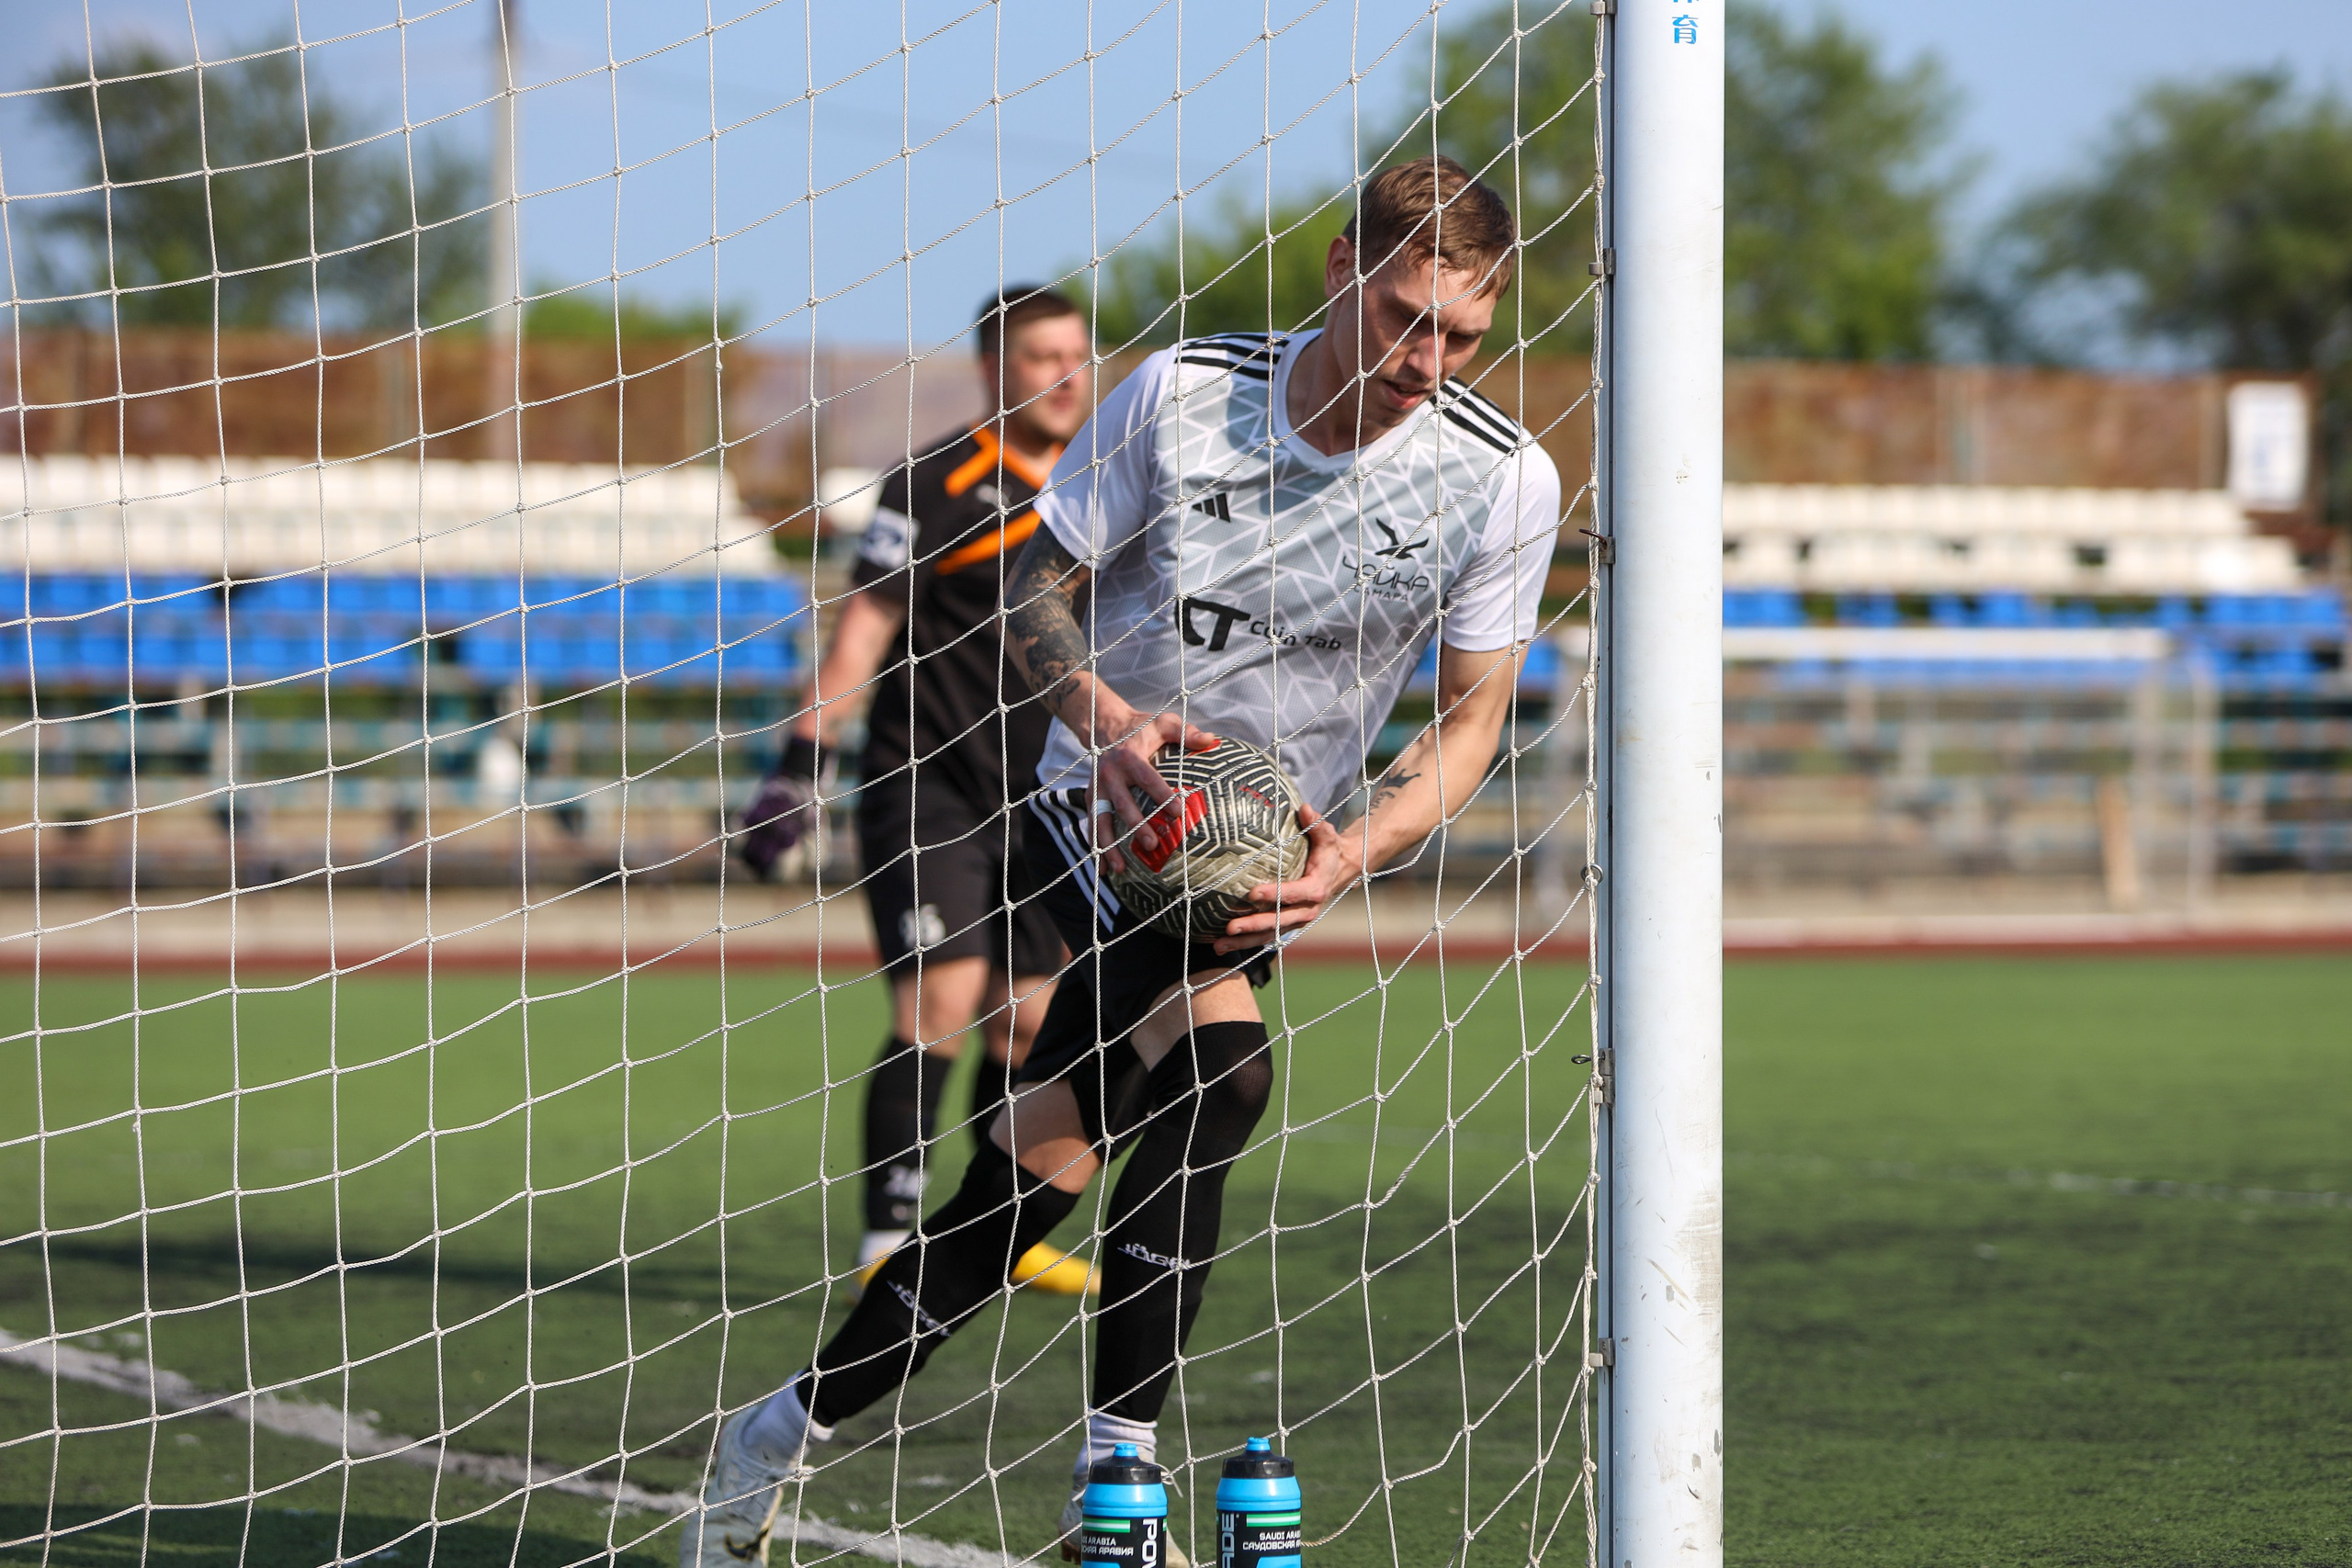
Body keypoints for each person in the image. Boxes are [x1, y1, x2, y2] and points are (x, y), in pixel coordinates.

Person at [686, 156, 1560, 1568]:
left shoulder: (1501, 477)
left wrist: (1356, 852)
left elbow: (1465, 726)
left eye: (1462, 334)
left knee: (1031, 1182)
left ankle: (784, 1425)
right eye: (1406, 316)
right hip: (1085, 814)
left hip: (1252, 858)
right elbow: (1038, 586)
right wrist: (1104, 725)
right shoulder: (1181, 393)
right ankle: (1119, 1487)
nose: (1427, 359)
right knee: (1224, 1076)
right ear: (1343, 268)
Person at [736, 285, 1099, 1298]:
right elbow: (863, 630)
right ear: (994, 368)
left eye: (1078, 354)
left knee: (1029, 1024)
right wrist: (799, 764)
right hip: (922, 786)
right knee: (939, 1001)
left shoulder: (1101, 485)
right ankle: (887, 1238)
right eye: (1041, 357)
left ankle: (1001, 1233)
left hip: (1044, 801)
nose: (1066, 376)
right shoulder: (932, 482)